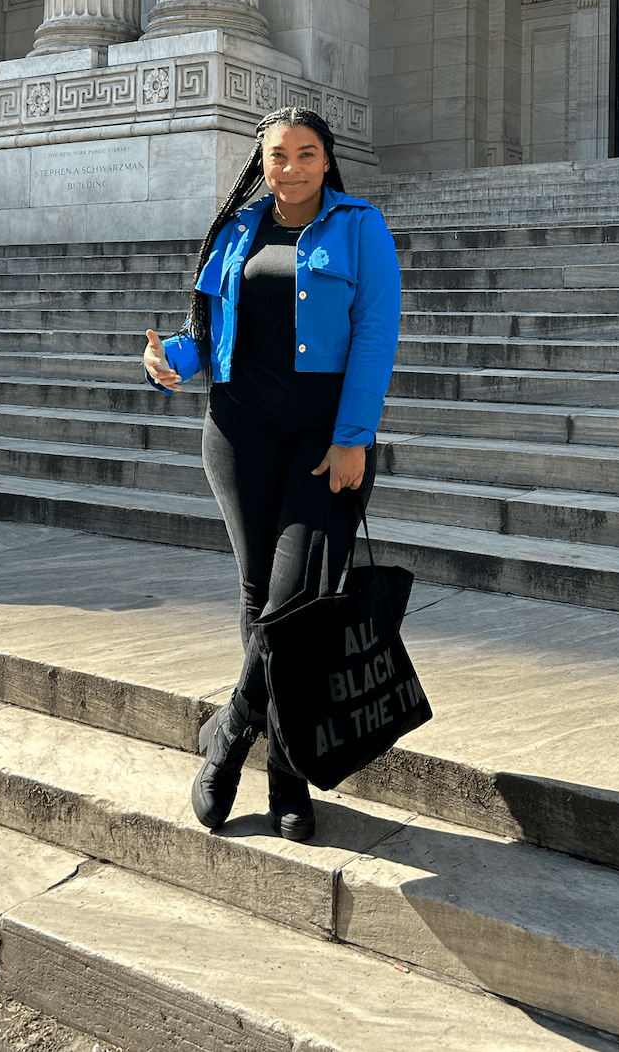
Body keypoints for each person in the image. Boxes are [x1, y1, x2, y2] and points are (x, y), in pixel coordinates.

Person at [143, 106, 401, 843]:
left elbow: (376, 334)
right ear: (262, 163)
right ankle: (282, 766)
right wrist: (170, 365)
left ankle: (234, 741)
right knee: (260, 596)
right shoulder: (239, 229)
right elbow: (208, 337)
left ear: (327, 161)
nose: (290, 168)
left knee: (293, 605)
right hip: (239, 432)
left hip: (326, 443)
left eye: (305, 154)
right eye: (277, 156)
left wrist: (354, 438)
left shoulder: (361, 227)